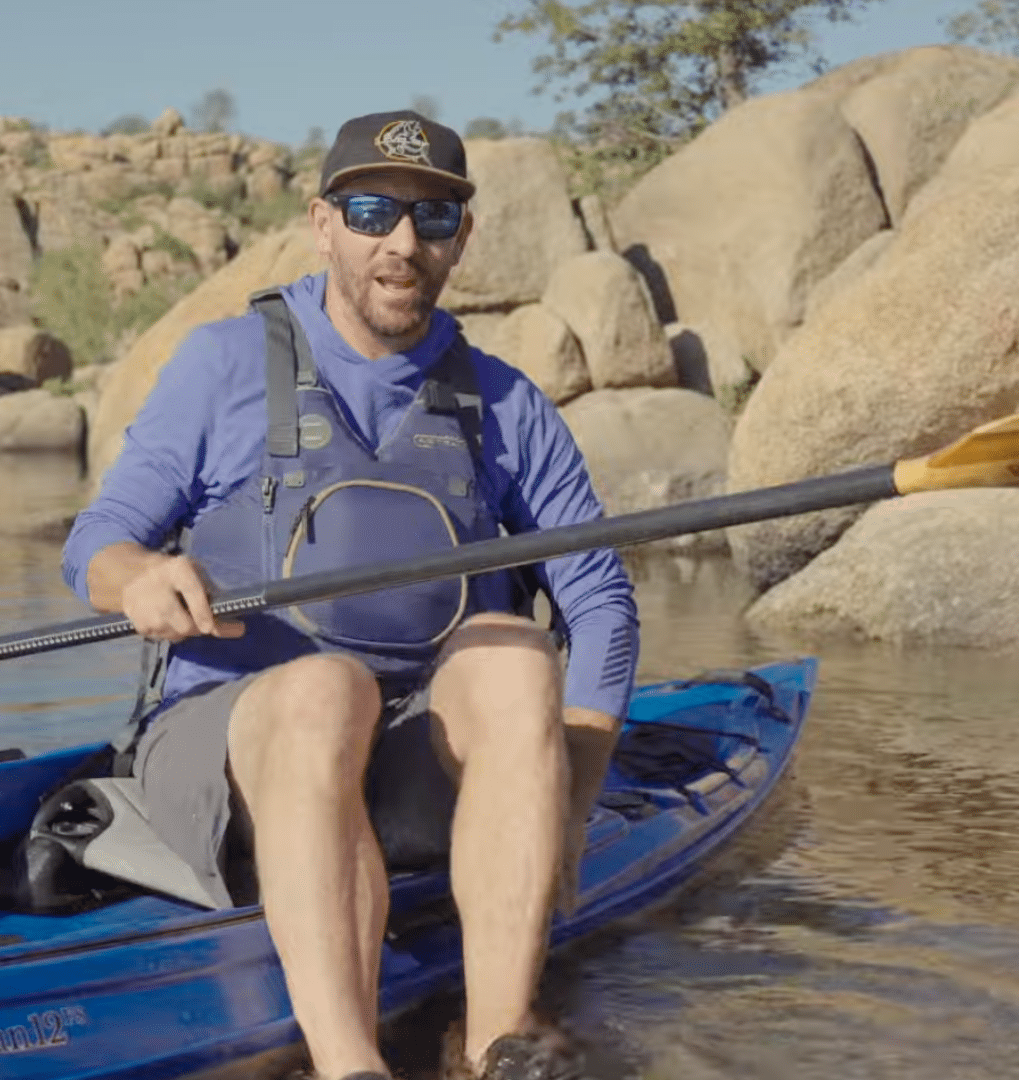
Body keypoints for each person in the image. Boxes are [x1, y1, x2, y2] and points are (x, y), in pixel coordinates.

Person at [61, 110, 639, 1080]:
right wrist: (141, 577)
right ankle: (350, 1065)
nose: (401, 243)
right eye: (373, 212)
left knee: (514, 655)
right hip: (231, 752)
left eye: (432, 218)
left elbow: (602, 606)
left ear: (464, 237)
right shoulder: (222, 367)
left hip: (414, 762)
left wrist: (572, 796)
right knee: (327, 691)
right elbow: (96, 545)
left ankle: (496, 1047)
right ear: (324, 225)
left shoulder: (506, 405)